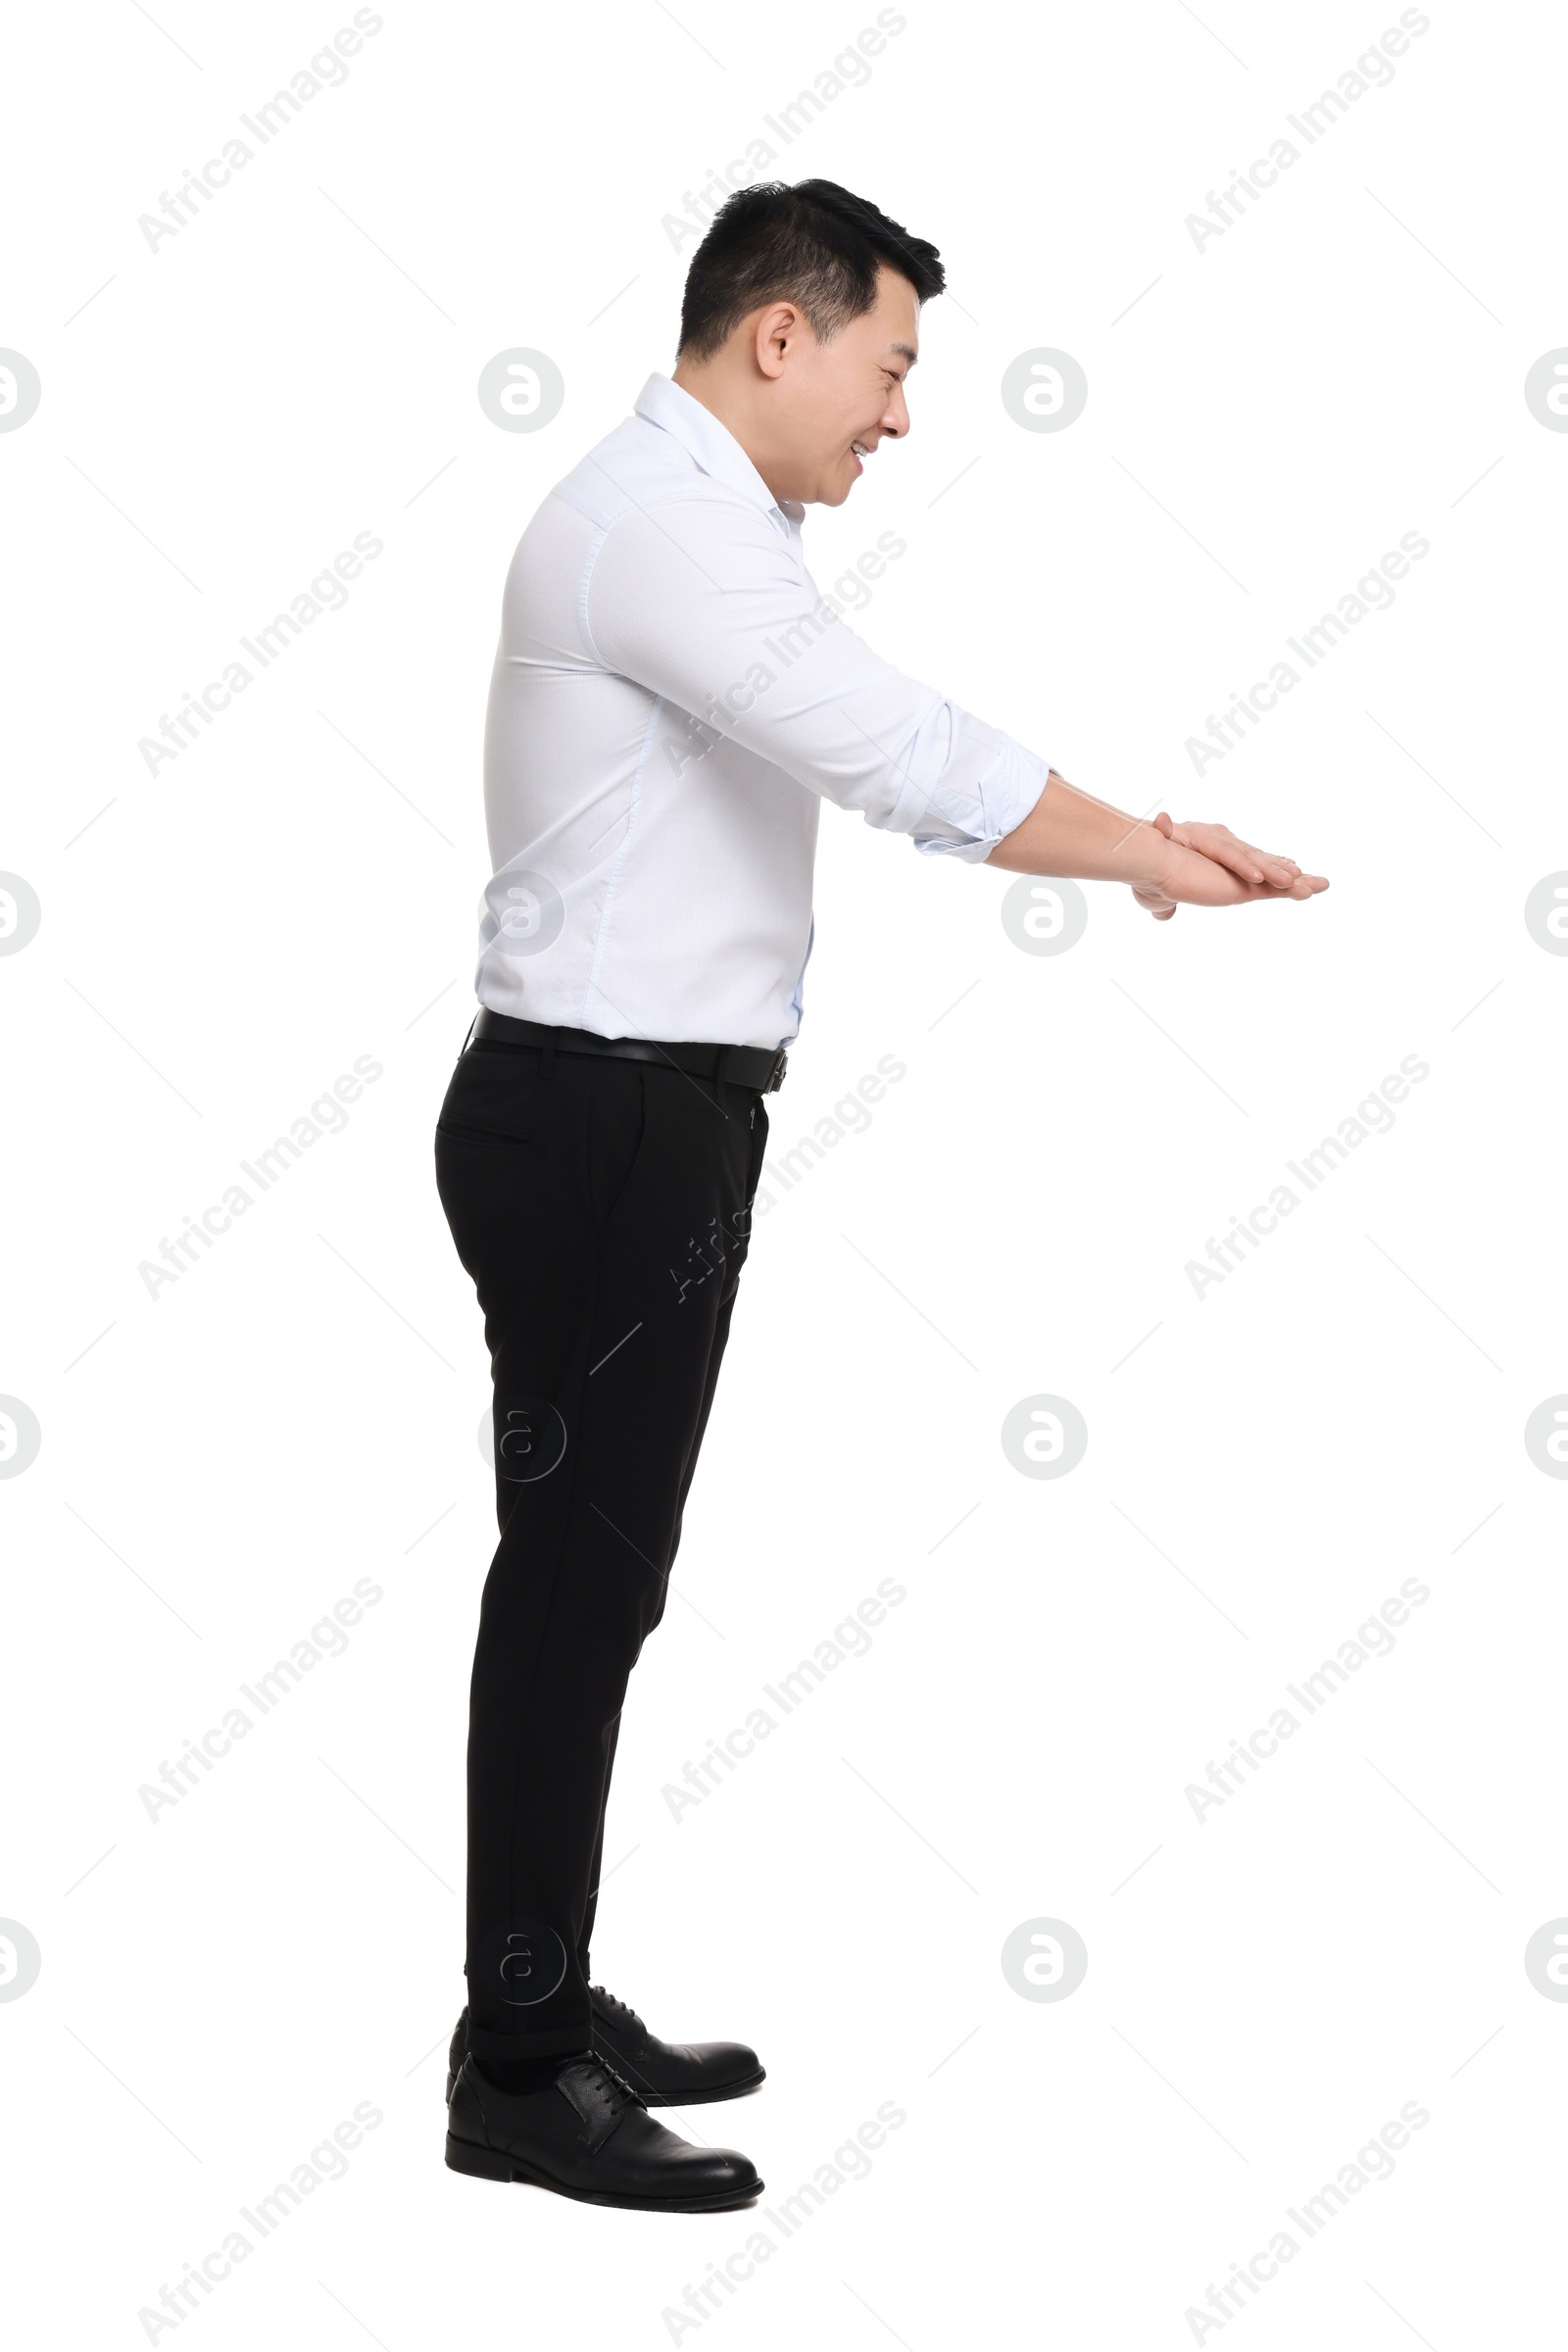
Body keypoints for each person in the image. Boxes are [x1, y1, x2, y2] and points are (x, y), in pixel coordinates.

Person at [434, 177, 1328, 2213]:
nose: (899, 414)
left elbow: (885, 749)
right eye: (889, 362)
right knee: (577, 1591)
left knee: (588, 1583)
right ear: (778, 331)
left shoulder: (700, 527)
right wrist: (1145, 849)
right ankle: (513, 2063)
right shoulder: (657, 529)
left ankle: (541, 2001)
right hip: (604, 1124)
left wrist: (1125, 831)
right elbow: (898, 753)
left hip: (628, 1118)